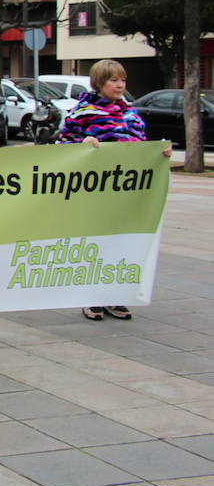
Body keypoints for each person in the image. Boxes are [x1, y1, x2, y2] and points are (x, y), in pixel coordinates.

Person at [57, 58, 171, 323]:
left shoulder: (130, 112)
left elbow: (141, 147)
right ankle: (90, 297)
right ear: (99, 82)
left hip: (127, 194)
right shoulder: (82, 112)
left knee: (121, 243)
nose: (120, 85)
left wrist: (160, 154)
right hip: (95, 193)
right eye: (113, 80)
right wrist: (82, 144)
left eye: (123, 80)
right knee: (96, 244)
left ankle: (113, 295)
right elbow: (61, 146)